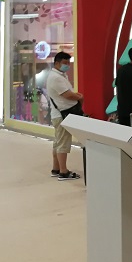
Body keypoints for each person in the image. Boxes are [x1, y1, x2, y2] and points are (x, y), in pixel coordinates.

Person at [46, 52, 82, 181]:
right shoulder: (56, 78)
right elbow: (67, 95)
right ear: (57, 63)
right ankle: (63, 171)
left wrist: (75, 95)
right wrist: (79, 97)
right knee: (63, 143)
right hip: (62, 114)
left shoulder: (59, 76)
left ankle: (56, 168)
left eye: (68, 63)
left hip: (59, 114)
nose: (67, 65)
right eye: (64, 63)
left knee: (58, 142)